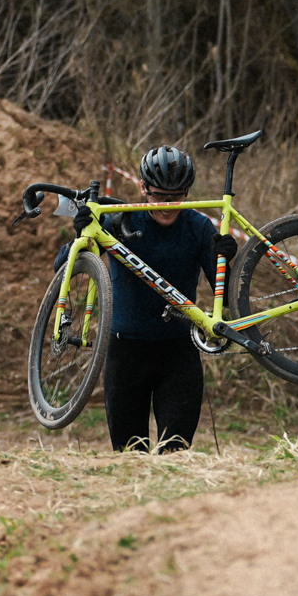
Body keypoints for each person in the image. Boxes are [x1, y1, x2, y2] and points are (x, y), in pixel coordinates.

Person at [92, 144, 216, 452]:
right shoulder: (120, 221)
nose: (168, 204)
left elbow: (224, 290)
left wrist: (227, 255)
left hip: (179, 357)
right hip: (125, 356)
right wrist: (82, 232)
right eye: (160, 195)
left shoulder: (199, 227)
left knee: (175, 453)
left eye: (176, 197)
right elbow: (65, 266)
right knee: (130, 456)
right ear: (144, 189)